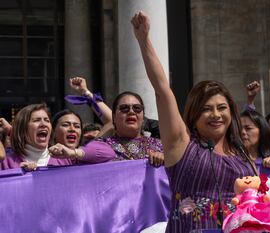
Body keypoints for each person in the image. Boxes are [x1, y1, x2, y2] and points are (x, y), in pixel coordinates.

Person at [131, 11, 255, 232]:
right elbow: (162, 91)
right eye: (206, 109)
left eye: (222, 108)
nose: (216, 115)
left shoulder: (244, 155)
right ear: (194, 116)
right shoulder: (182, 146)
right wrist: (144, 40)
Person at [51, 91, 164, 167]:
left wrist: (165, 159)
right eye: (124, 108)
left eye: (137, 108)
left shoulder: (161, 147)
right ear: (114, 116)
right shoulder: (101, 146)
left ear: (143, 116)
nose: (131, 111)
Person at [0, 104, 74, 170]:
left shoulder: (65, 159)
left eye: (47, 120)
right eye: (36, 120)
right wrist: (19, 175)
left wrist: (85, 92)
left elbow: (85, 153)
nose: (43, 124)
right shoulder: (6, 164)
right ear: (22, 128)